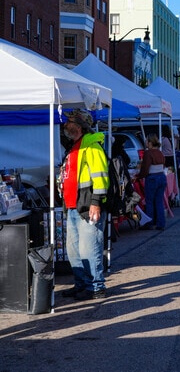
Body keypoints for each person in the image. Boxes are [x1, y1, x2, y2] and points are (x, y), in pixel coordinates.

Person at [59, 109, 109, 301]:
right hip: (73, 207)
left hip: (87, 206)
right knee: (73, 250)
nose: (65, 126)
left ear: (79, 126)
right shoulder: (74, 146)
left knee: (89, 249)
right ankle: (81, 284)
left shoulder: (91, 145)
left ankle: (96, 287)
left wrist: (96, 203)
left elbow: (100, 177)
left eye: (69, 123)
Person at [135, 133, 167, 230]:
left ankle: (149, 223)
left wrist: (138, 176)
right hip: (162, 177)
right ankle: (161, 223)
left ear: (149, 142)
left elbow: (145, 169)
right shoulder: (160, 152)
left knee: (149, 202)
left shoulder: (148, 153)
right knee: (159, 201)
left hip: (152, 178)